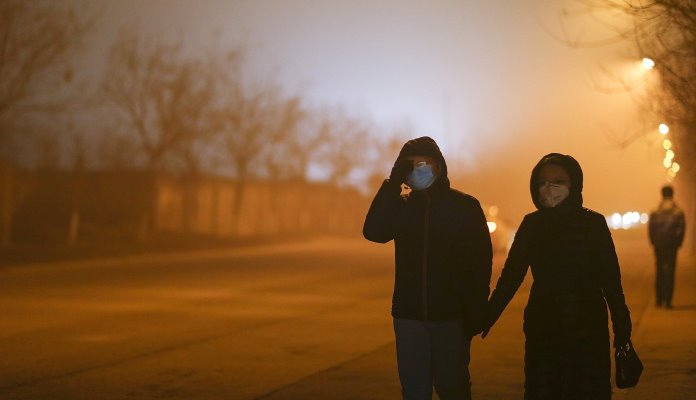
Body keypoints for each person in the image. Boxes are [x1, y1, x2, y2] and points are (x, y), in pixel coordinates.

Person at [483, 153, 632, 400]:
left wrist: (622, 328)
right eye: (543, 181)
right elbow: (511, 277)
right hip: (543, 327)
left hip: (589, 329)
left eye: (558, 181)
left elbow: (611, 281)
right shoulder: (532, 225)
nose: (549, 187)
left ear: (574, 184)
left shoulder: (594, 224)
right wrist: (487, 316)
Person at [363, 136, 492, 400]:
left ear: (439, 165)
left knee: (452, 386)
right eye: (408, 165)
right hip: (409, 317)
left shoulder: (465, 206)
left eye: (424, 162)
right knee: (415, 391)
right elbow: (374, 232)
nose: (418, 169)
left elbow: (480, 262)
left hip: (452, 318)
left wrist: (477, 308)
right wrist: (391, 184)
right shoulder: (402, 207)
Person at [648, 184, 686, 309]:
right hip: (671, 245)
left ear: (662, 194)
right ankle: (668, 301)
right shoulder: (678, 212)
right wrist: (678, 243)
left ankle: (659, 299)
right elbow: (681, 229)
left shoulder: (655, 211)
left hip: (659, 244)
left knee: (659, 269)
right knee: (670, 271)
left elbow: (651, 229)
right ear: (672, 194)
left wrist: (653, 242)